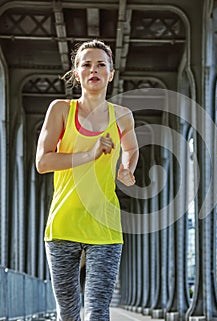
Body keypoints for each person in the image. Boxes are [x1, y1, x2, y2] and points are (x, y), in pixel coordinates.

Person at [35, 39, 139, 321]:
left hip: (105, 227)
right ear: (77, 73)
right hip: (63, 224)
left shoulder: (122, 117)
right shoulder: (60, 110)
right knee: (68, 313)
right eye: (86, 64)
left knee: (97, 312)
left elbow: (131, 148)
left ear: (111, 73)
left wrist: (127, 169)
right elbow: (43, 162)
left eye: (101, 64)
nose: (94, 69)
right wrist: (89, 154)